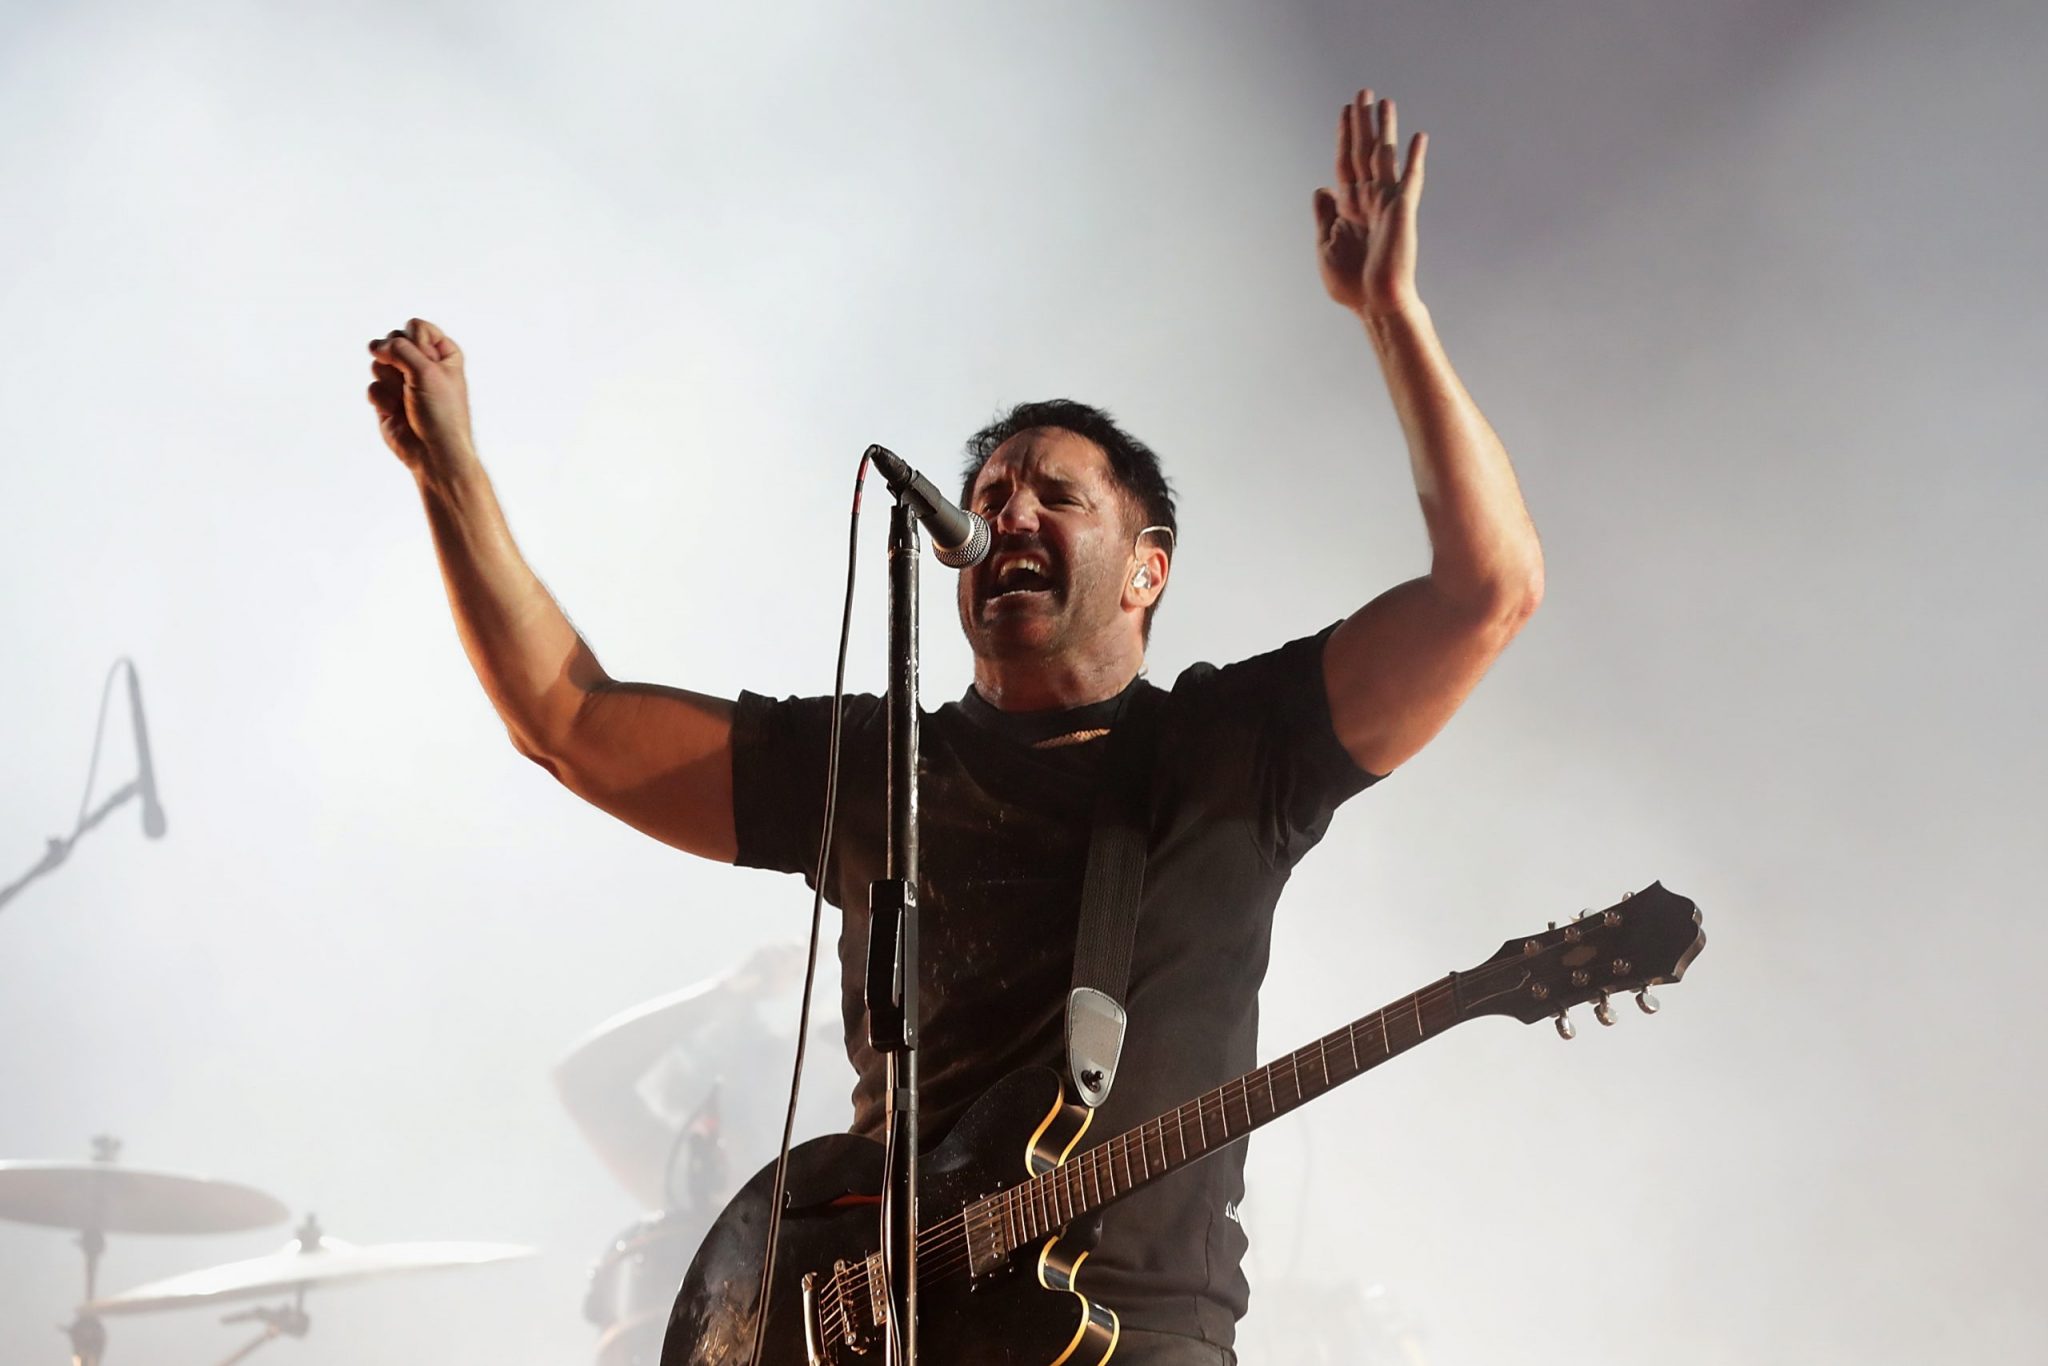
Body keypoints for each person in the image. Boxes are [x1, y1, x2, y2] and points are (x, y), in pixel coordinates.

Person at [366, 89, 1541, 1366]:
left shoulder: (1232, 751)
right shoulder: (879, 769)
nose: (1009, 512)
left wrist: (1391, 318)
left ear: (1146, 568)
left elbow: (1487, 592)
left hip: (1132, 1338)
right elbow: (571, 723)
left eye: (1056, 495)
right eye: (989, 492)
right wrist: (451, 477)